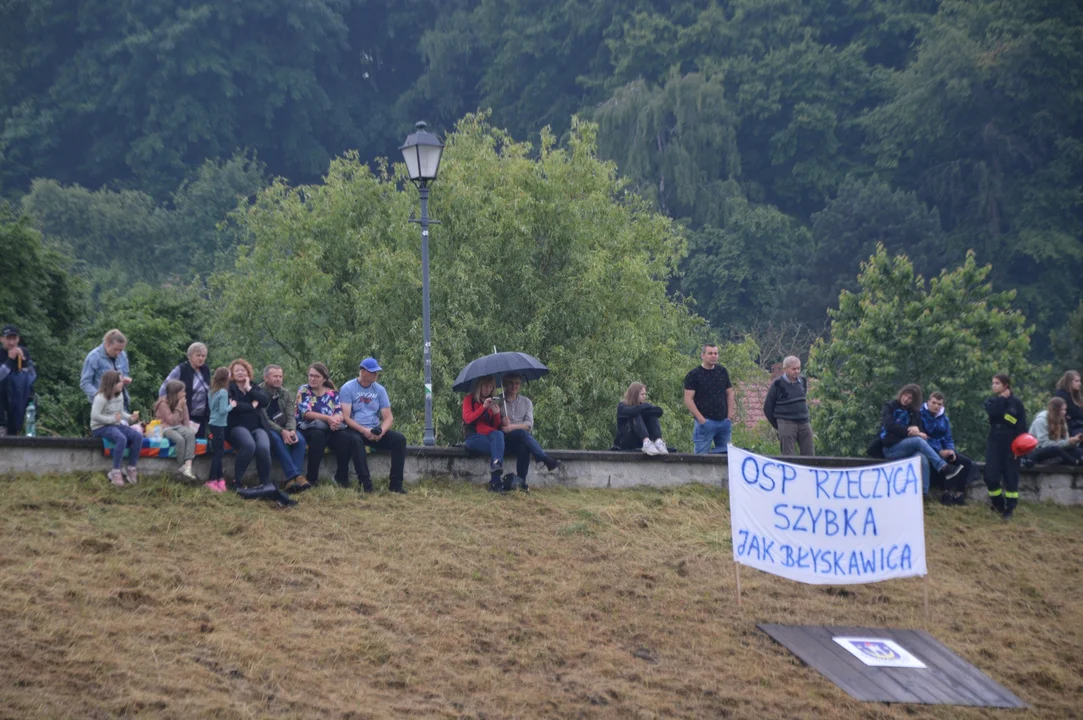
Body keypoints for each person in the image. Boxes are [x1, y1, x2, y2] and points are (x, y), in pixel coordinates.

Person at [339, 357, 408, 494]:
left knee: (399, 440)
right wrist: (364, 431)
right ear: (363, 372)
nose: (376, 375)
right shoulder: (348, 388)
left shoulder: (380, 390)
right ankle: (366, 484)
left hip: (374, 429)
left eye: (377, 372)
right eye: (373, 372)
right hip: (355, 429)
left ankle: (396, 485)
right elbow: (346, 418)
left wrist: (380, 432)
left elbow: (388, 417)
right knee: (356, 441)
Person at [879, 384, 964, 495]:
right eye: (905, 395)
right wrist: (909, 430)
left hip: (907, 448)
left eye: (910, 398)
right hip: (890, 448)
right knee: (919, 441)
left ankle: (924, 493)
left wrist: (918, 433)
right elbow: (889, 426)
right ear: (901, 394)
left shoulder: (914, 412)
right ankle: (944, 467)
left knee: (922, 458)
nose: (906, 399)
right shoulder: (890, 406)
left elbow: (919, 431)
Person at [296, 363, 362, 489]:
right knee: (318, 436)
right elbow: (305, 413)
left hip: (330, 428)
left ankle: (341, 478)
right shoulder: (304, 390)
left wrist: (336, 420)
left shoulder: (333, 394)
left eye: (316, 376)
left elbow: (340, 412)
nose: (312, 379)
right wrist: (328, 419)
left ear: (324, 379)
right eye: (310, 375)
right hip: (309, 427)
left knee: (345, 438)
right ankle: (312, 479)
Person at [499, 372, 560, 490]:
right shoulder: (499, 401)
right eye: (511, 383)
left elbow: (528, 424)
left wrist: (512, 427)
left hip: (519, 439)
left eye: (517, 383)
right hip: (504, 439)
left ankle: (522, 481)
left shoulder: (526, 402)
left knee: (524, 445)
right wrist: (501, 420)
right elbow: (492, 422)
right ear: (505, 383)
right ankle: (544, 459)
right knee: (522, 434)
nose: (514, 386)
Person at [260, 364, 310, 493]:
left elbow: (291, 415)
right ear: (266, 378)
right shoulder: (259, 393)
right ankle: (295, 475)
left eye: (280, 376)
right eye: (275, 376)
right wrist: (282, 432)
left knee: (300, 440)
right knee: (277, 439)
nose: (278, 379)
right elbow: (264, 419)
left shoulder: (285, 393)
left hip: (285, 427)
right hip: (267, 428)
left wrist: (291, 430)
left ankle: (291, 481)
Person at [919, 391, 974, 506]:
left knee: (966, 462)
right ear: (928, 402)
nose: (936, 406)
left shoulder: (944, 419)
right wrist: (940, 451)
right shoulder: (920, 416)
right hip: (928, 449)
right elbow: (923, 439)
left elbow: (948, 438)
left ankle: (959, 494)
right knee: (941, 462)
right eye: (933, 403)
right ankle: (945, 494)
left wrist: (951, 451)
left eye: (939, 404)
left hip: (944, 448)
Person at [984, 373, 1027, 519]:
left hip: (1011, 445)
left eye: (997, 383)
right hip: (994, 443)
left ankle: (1010, 508)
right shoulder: (992, 401)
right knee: (990, 476)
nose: (993, 386)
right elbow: (993, 412)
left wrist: (1019, 449)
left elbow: (1021, 427)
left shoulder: (1017, 403)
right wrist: (1002, 398)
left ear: (1005, 385)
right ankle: (998, 503)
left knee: (1010, 478)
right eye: (993, 383)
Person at [226, 358, 272, 490]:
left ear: (248, 372)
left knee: (263, 447)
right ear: (232, 374)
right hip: (236, 427)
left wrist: (249, 389)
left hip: (257, 427)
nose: (240, 372)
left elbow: (264, 401)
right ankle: (237, 481)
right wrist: (251, 406)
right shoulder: (229, 388)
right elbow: (233, 407)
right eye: (237, 371)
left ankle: (264, 483)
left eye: (243, 370)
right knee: (249, 445)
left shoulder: (254, 386)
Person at [90, 369, 142, 487]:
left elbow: (120, 413)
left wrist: (130, 417)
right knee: (121, 438)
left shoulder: (120, 396)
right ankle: (115, 471)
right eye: (119, 382)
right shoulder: (101, 398)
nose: (122, 384)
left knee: (137, 436)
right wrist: (112, 420)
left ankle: (131, 468)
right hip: (100, 427)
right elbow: (95, 416)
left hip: (115, 424)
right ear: (111, 384)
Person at [683, 343, 734, 454]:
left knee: (727, 458)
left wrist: (729, 416)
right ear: (703, 355)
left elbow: (730, 393)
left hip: (724, 422)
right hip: (705, 423)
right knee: (700, 460)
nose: (713, 356)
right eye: (710, 353)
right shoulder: (694, 375)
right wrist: (701, 420)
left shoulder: (722, 371)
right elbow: (688, 399)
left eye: (715, 353)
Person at [462, 375, 506, 492]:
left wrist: (496, 414)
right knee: (497, 446)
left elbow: (495, 427)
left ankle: (496, 477)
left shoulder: (492, 401)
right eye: (486, 386)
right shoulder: (469, 400)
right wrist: (483, 407)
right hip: (473, 438)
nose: (488, 390)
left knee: (499, 435)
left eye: (491, 387)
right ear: (479, 386)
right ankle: (496, 482)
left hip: (489, 436)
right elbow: (468, 419)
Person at [763, 356, 814, 456]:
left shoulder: (802, 381)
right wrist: (779, 425)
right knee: (788, 455)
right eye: (794, 369)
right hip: (786, 422)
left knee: (809, 454)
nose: (797, 371)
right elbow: (767, 408)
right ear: (785, 369)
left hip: (803, 422)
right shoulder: (777, 384)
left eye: (798, 368)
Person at [158, 342, 211, 438]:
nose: (201, 358)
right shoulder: (180, 369)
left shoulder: (205, 370)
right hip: (185, 414)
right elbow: (163, 389)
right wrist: (167, 407)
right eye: (198, 355)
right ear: (190, 356)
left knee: (200, 445)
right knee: (187, 441)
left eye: (203, 356)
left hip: (202, 415)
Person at [154, 380, 199, 481]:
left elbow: (186, 420)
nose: (184, 394)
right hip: (165, 427)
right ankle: (181, 466)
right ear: (175, 393)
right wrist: (179, 406)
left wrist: (188, 430)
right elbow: (171, 421)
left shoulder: (182, 402)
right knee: (179, 440)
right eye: (182, 391)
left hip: (178, 426)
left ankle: (188, 465)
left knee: (190, 434)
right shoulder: (163, 404)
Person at [80, 329, 132, 409]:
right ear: (107, 344)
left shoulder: (123, 355)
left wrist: (124, 380)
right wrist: (100, 397)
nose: (118, 353)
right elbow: (85, 383)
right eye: (115, 349)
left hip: (121, 403)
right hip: (103, 407)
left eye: (121, 350)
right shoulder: (94, 357)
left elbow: (125, 374)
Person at [0, 324, 36, 436]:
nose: (11, 343)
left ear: (18, 339)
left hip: (18, 401)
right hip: (2, 401)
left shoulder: (24, 352)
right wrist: (10, 360)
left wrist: (24, 361)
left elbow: (32, 375)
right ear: (1, 339)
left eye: (14, 339)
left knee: (15, 433)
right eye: (8, 339)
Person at [1025, 397, 1083, 466]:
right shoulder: (1041, 421)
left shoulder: (1062, 421)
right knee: (1055, 450)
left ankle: (1062, 460)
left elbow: (1065, 442)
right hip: (1038, 450)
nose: (1064, 412)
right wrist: (1068, 442)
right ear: (1055, 410)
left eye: (1065, 410)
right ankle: (1076, 462)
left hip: (1057, 448)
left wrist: (1074, 442)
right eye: (1061, 410)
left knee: (1078, 451)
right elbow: (1044, 445)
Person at [614, 382, 667, 455]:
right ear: (635, 395)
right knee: (635, 414)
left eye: (645, 394)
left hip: (638, 441)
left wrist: (646, 407)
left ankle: (658, 441)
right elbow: (632, 411)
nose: (645, 396)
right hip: (625, 441)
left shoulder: (643, 406)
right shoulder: (622, 406)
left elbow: (659, 411)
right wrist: (646, 407)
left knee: (652, 414)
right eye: (642, 394)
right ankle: (646, 442)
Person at [206, 367, 231, 493]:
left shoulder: (211, 391)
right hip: (219, 424)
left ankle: (219, 478)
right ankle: (211, 479)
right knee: (219, 453)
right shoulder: (223, 392)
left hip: (212, 422)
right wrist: (231, 405)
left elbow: (212, 408)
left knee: (218, 450)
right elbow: (222, 411)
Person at [1054, 370, 1083, 436]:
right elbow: (1074, 413)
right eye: (1076, 381)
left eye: (1079, 381)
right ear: (1069, 382)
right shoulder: (1062, 395)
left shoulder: (1076, 395)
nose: (1079, 383)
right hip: (1071, 428)